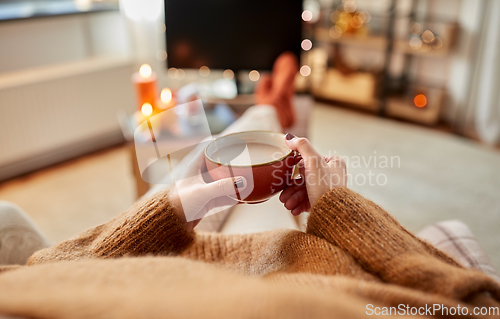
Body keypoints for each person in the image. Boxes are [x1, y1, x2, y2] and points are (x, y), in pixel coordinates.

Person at [0, 53, 499, 319]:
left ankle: (269, 109)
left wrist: (176, 205)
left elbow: (51, 266)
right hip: (293, 263)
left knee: (220, 158)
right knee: (253, 146)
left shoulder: (17, 294)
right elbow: (465, 302)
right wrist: (343, 210)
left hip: (188, 253)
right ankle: (275, 107)